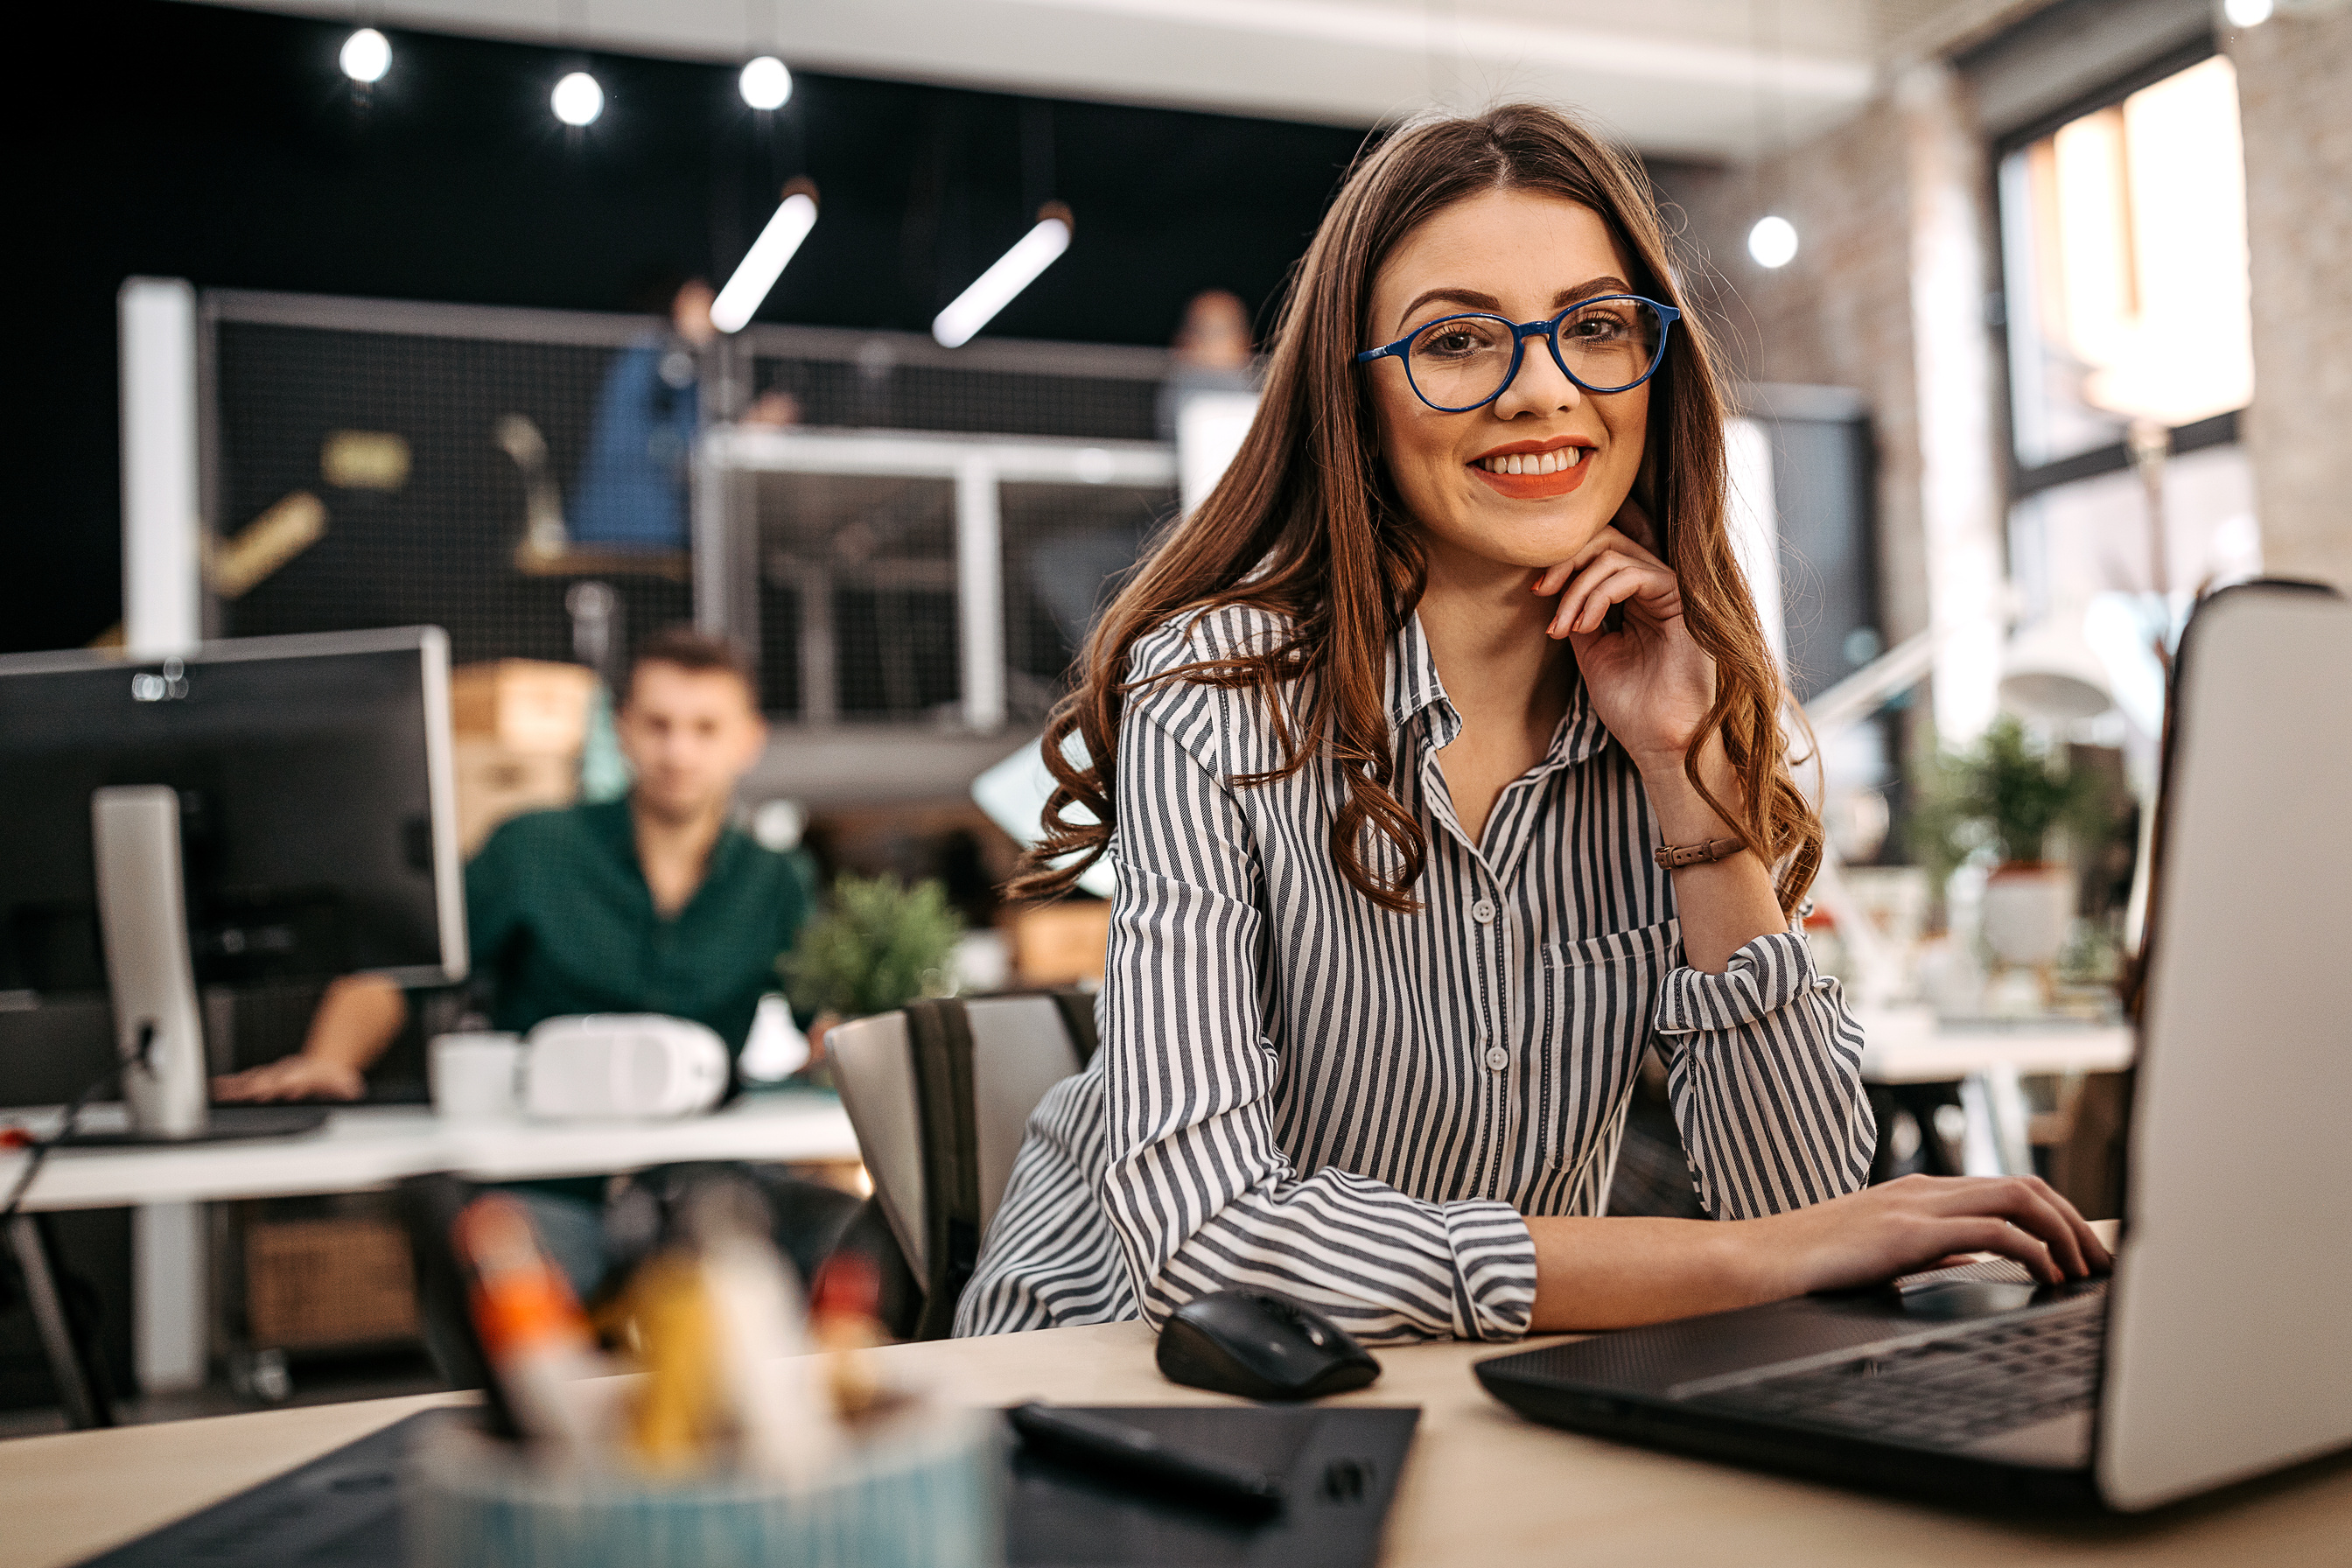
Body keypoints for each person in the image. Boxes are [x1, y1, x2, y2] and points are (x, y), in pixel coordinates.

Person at [956, 104, 2108, 1344]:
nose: (1543, 390)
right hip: (1110, 1370)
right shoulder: (1220, 691)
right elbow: (1210, 1240)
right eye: (1457, 341)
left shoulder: (1672, 697)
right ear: (1357, 394)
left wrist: (1687, 782)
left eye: (1597, 328)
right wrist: (1730, 1260)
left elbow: (1807, 1208)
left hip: (1453, 1373)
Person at [216, 626, 850, 1292]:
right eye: (658, 725)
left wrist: (840, 1047)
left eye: (705, 728)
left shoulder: (776, 882)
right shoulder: (533, 848)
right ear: (621, 729)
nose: (679, 751)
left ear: (748, 740)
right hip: (546, 1180)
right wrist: (330, 1058)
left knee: (816, 1254)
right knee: (510, 1308)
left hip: (703, 1185)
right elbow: (402, 967)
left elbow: (827, 1018)